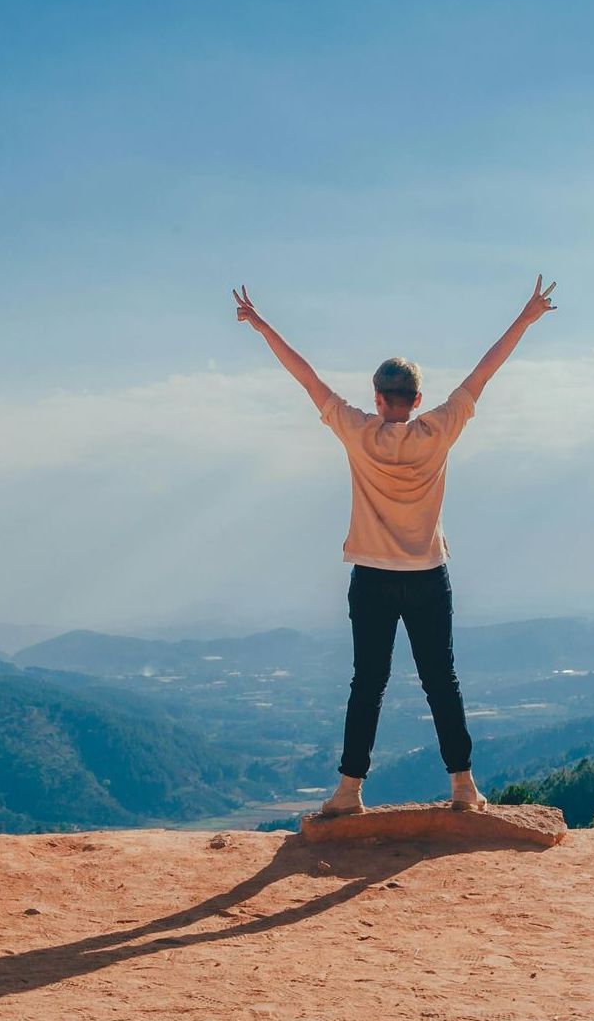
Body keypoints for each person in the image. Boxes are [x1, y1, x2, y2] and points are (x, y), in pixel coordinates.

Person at [232, 276, 557, 815]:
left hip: (373, 576)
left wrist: (262, 325)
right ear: (418, 399)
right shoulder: (440, 429)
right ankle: (462, 787)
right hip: (429, 573)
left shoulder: (358, 431)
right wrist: (526, 317)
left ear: (378, 399)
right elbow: (484, 372)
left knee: (368, 685)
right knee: (441, 682)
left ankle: (348, 791)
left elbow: (306, 379)